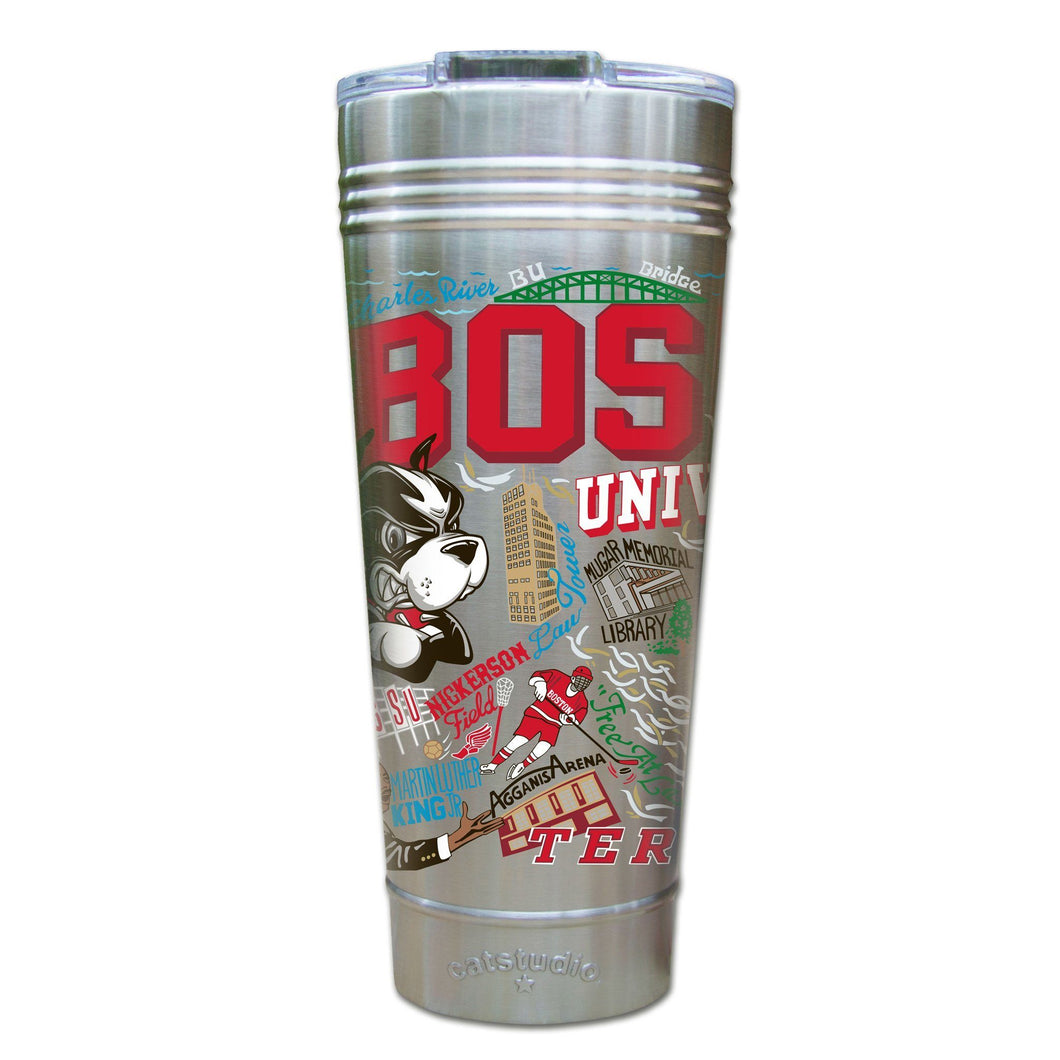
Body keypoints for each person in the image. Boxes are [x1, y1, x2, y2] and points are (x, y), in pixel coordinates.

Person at [480, 666, 592, 780]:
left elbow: (577, 719)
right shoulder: (558, 676)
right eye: (581, 679)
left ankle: (522, 765)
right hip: (536, 714)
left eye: (586, 681)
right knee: (518, 741)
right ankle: (493, 765)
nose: (582, 684)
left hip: (554, 724)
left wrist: (568, 720)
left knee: (544, 746)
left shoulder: (582, 701)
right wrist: (540, 684)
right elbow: (536, 675)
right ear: (573, 678)